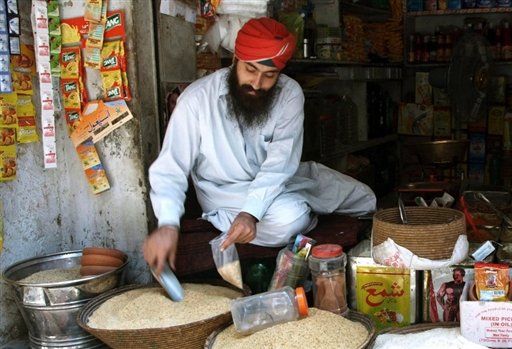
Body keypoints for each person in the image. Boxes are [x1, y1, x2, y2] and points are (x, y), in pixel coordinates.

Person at [144, 17, 376, 274]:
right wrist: (167, 224)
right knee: (289, 220)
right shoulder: (197, 100)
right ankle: (296, 215)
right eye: (250, 70)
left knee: (364, 198)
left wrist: (251, 214)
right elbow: (171, 167)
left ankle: (301, 209)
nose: (257, 84)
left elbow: (280, 163)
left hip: (282, 178)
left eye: (269, 75)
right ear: (234, 61)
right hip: (225, 191)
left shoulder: (289, 94)